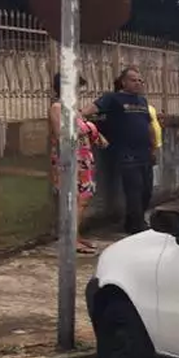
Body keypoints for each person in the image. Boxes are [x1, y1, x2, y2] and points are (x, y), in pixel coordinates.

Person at [82, 66, 155, 234]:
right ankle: (137, 226)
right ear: (123, 82)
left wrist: (153, 148)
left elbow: (149, 125)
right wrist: (80, 115)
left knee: (146, 191)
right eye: (133, 80)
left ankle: (133, 222)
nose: (138, 83)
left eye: (140, 80)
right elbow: (93, 108)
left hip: (145, 153)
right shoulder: (113, 98)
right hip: (127, 154)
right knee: (134, 191)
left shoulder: (142, 101)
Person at [48, 74, 106, 254]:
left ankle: (76, 236)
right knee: (78, 199)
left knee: (82, 198)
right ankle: (70, 239)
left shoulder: (73, 109)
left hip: (83, 158)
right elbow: (62, 135)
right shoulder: (58, 107)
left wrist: (93, 133)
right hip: (71, 158)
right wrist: (88, 129)